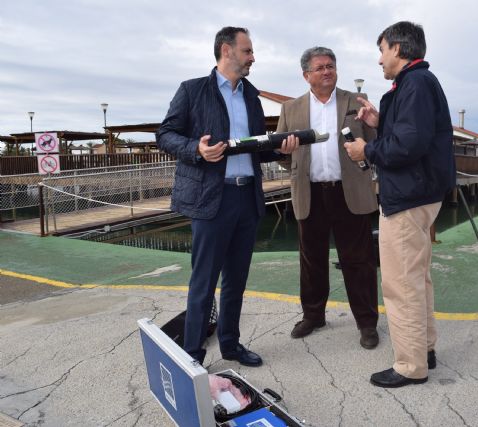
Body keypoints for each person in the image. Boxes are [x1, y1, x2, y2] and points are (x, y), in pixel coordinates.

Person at [157, 27, 298, 366]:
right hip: (210, 198)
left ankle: (231, 345)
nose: (252, 57)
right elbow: (165, 135)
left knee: (236, 280)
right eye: (247, 51)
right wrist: (196, 149)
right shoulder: (192, 90)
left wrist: (280, 149)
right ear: (226, 50)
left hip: (246, 198)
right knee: (203, 283)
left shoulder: (250, 94)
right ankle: (192, 355)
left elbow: (253, 148)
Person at [345, 21, 456, 387]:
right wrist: (380, 121)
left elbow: (408, 146)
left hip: (407, 197)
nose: (379, 59)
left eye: (381, 50)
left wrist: (366, 149)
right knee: (416, 278)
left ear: (397, 47)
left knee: (401, 283)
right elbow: (412, 134)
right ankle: (424, 349)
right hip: (420, 194)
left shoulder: (416, 84)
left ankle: (411, 366)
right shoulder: (417, 84)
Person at [276, 47, 380, 348]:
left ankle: (367, 323)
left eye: (331, 66)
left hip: (349, 193)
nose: (327, 71)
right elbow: (284, 153)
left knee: (358, 261)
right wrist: (286, 153)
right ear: (306, 74)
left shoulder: (355, 102)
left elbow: (373, 143)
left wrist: (375, 124)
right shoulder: (291, 109)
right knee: (311, 261)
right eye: (320, 67)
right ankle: (313, 316)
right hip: (310, 193)